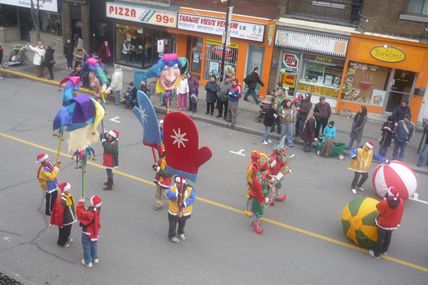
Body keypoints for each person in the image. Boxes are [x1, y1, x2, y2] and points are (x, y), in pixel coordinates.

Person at [369, 186, 404, 259]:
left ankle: (376, 254)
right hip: (393, 224)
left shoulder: (384, 202)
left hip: (383, 224)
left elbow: (378, 207)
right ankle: (385, 250)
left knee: (380, 239)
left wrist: (384, 199)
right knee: (388, 236)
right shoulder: (401, 202)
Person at [166, 177, 196, 243]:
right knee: (172, 224)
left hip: (184, 212)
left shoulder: (190, 189)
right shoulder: (172, 188)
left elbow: (193, 198)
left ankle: (180, 232)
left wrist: (185, 203)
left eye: (181, 183)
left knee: (182, 223)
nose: (179, 185)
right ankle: (172, 235)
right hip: (173, 211)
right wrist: (177, 195)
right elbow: (168, 194)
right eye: (178, 183)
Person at [77, 195, 102, 268]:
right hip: (95, 231)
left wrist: (81, 203)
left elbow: (81, 213)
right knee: (94, 244)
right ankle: (95, 258)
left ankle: (88, 261)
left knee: (87, 246)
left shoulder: (91, 213)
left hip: (87, 232)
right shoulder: (97, 209)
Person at [50, 182, 77, 247]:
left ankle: (66, 238)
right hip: (64, 220)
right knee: (63, 232)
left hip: (69, 218)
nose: (70, 190)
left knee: (68, 230)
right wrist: (60, 223)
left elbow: (73, 205)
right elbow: (59, 213)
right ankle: (61, 242)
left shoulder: (69, 195)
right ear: (64, 190)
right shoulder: (61, 200)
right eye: (68, 189)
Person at [245, 151, 265, 217]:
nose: (260, 159)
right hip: (252, 184)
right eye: (259, 158)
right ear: (256, 159)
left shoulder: (257, 164)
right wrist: (252, 183)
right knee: (250, 197)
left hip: (256, 182)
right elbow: (248, 177)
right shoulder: (251, 167)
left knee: (253, 197)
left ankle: (251, 208)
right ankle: (247, 209)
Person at [251, 170, 269, 234]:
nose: (267, 172)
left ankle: (253, 222)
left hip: (257, 198)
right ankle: (256, 226)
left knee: (255, 211)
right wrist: (265, 199)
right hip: (259, 199)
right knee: (259, 213)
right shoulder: (258, 182)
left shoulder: (260, 178)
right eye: (266, 171)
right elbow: (260, 193)